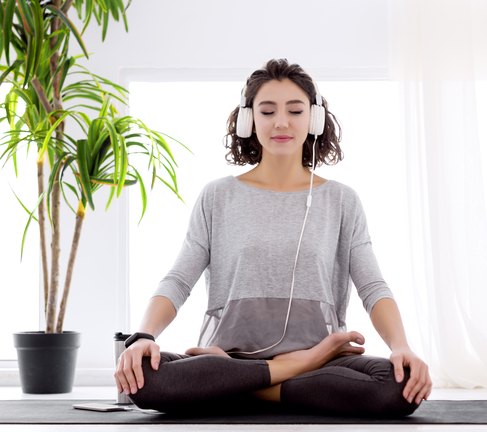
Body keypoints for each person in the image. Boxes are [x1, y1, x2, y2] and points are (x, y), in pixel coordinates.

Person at [114, 58, 432, 417]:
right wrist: (143, 336)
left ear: (314, 119)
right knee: (142, 376)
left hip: (317, 365)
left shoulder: (341, 200)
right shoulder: (218, 196)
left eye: (295, 111)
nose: (281, 122)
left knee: (401, 386)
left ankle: (236, 390)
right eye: (267, 111)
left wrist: (401, 346)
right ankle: (284, 374)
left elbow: (372, 285)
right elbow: (179, 278)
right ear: (250, 119)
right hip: (233, 360)